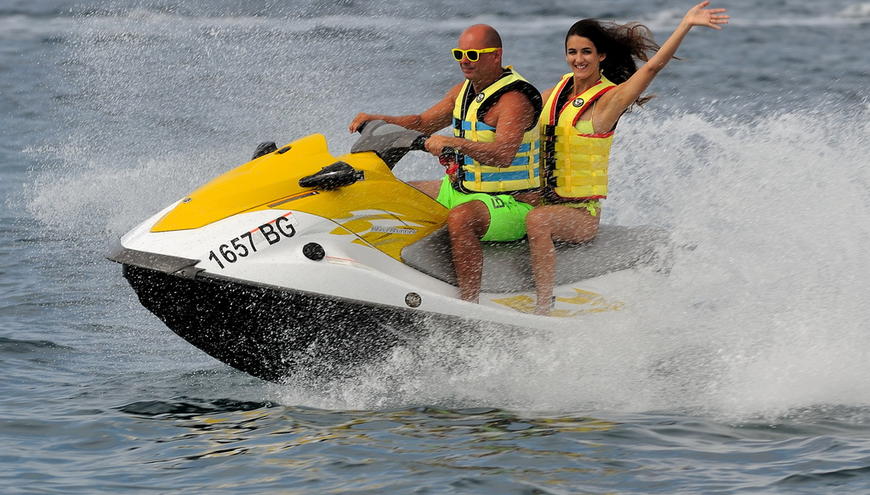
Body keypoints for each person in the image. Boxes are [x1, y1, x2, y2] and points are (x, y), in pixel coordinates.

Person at [527, 1, 729, 314]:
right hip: (542, 198)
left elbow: (652, 68)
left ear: (601, 56)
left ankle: (544, 305)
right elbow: (520, 113)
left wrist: (686, 24)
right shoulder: (558, 91)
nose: (578, 59)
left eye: (586, 52)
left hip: (580, 212)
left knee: (537, 220)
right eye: (572, 52)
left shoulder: (609, 100)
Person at [349, 24, 542, 302]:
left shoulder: (515, 99)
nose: (465, 61)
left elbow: (503, 155)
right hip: (464, 191)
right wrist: (379, 120)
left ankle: (469, 306)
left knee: (461, 218)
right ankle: (385, 277)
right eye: (459, 54)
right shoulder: (462, 91)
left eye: (473, 55)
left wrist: (454, 143)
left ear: (496, 56)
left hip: (513, 203)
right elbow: (422, 123)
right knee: (394, 195)